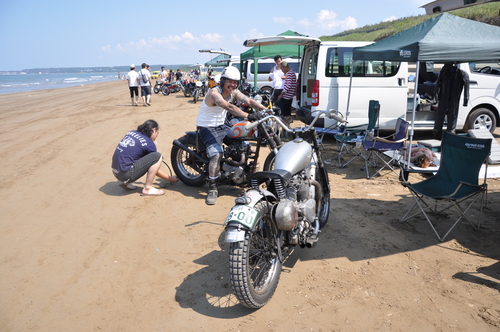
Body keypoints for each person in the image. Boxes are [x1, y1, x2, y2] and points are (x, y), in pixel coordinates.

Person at [196, 66, 267, 205]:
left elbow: (249, 101)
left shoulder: (233, 92)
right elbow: (229, 107)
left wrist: (267, 110)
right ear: (222, 81)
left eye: (235, 82)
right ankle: (212, 187)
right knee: (216, 154)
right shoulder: (214, 93)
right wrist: (249, 115)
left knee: (244, 142)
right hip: (207, 127)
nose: (233, 85)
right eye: (230, 82)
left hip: (222, 125)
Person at [111, 119, 178, 196]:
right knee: (157, 156)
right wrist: (169, 178)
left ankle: (125, 183)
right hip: (125, 175)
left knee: (133, 156)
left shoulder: (132, 132)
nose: (157, 136)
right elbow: (153, 169)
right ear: (154, 130)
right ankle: (147, 188)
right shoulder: (149, 144)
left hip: (115, 172)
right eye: (157, 133)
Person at [432, 63, 470, 139]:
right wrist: (435, 98)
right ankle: (437, 135)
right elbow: (437, 86)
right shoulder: (443, 73)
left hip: (453, 98)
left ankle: (449, 136)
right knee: (441, 117)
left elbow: (467, 87)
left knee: (451, 117)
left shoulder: (462, 74)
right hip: (444, 97)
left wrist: (465, 99)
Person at [276, 61, 297, 126]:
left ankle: (284, 126)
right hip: (289, 97)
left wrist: (281, 94)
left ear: (285, 67)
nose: (282, 71)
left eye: (282, 68)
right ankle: (286, 127)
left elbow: (288, 86)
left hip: (286, 97)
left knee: (281, 112)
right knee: (287, 114)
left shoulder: (290, 74)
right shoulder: (291, 73)